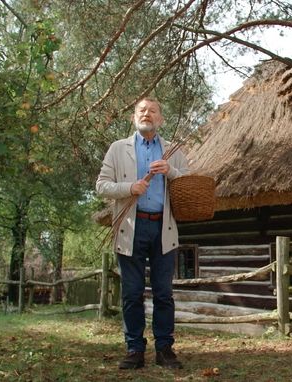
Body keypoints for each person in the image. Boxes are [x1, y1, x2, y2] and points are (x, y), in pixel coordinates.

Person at [96, 97, 189, 370]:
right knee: (132, 293)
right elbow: (101, 186)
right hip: (131, 228)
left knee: (163, 293)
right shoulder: (117, 149)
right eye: (141, 110)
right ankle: (135, 349)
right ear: (133, 117)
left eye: (152, 111)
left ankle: (164, 349)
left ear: (160, 119)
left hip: (163, 227)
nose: (146, 114)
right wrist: (129, 188)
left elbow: (188, 184)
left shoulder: (172, 150)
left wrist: (171, 171)